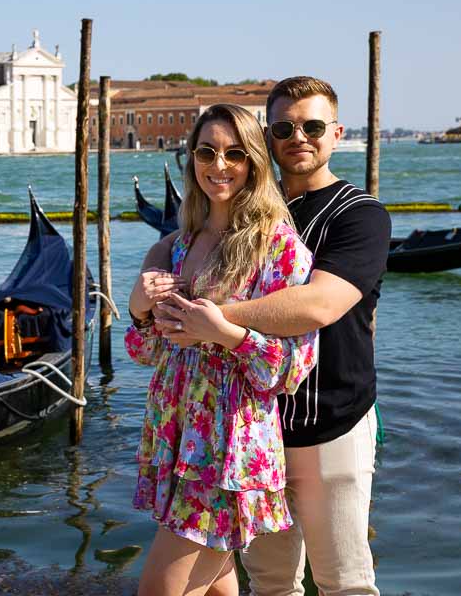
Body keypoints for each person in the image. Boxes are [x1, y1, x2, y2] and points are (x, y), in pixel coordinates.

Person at [155, 77, 391, 596]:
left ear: (336, 132)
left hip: (331, 418)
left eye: (312, 125)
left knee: (344, 582)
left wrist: (213, 319)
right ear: (268, 134)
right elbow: (183, 237)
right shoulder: (249, 210)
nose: (298, 136)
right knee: (271, 581)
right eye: (283, 126)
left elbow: (318, 305)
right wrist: (152, 272)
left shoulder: (361, 216)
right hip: (254, 429)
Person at [127, 103, 318, 596]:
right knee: (217, 587)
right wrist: (138, 308)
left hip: (227, 449)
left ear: (254, 160)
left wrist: (224, 332)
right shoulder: (182, 242)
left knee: (160, 590)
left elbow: (291, 369)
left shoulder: (278, 247)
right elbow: (147, 351)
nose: (219, 165)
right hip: (177, 434)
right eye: (208, 152)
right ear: (192, 158)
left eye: (234, 153)